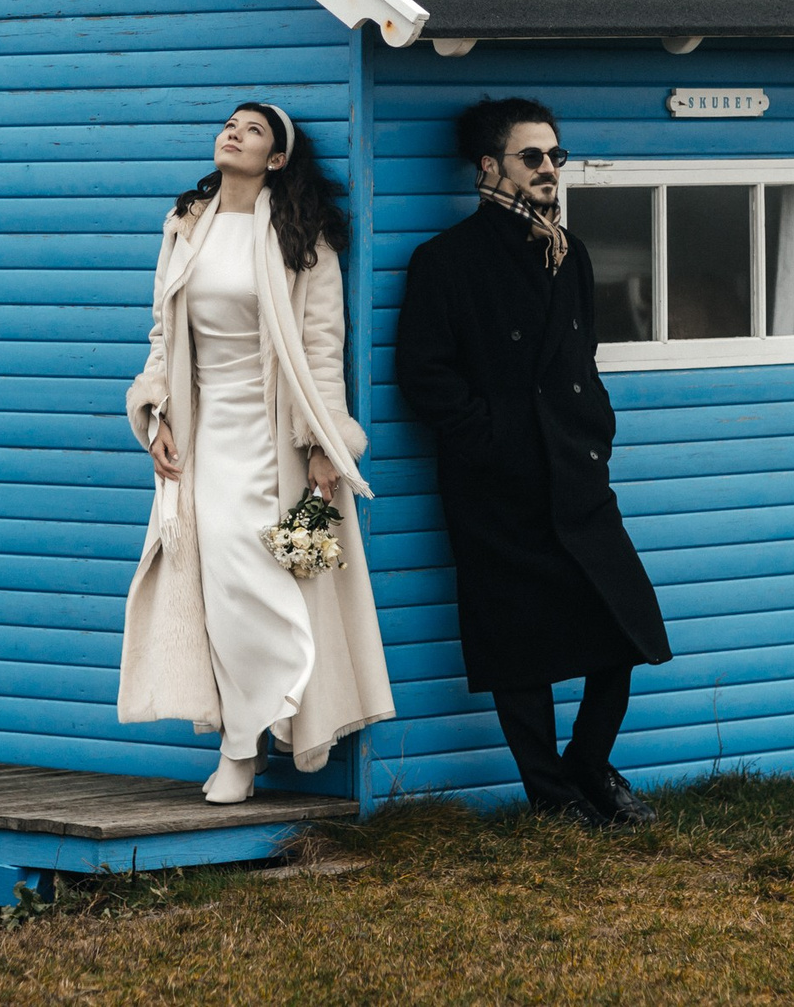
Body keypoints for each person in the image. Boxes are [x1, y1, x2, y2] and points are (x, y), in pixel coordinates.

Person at [395, 96, 672, 825]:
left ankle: (586, 761)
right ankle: (551, 799)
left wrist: (594, 428)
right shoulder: (445, 260)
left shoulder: (567, 250)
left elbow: (583, 357)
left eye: (556, 155)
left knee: (629, 624)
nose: (550, 168)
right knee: (520, 649)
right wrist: (491, 441)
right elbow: (424, 376)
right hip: (496, 482)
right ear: (490, 167)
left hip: (577, 473)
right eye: (533, 157)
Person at [120, 103, 394, 803]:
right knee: (219, 590)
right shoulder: (185, 223)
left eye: (255, 130)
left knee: (263, 582)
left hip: (272, 434)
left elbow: (322, 348)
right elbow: (162, 330)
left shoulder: (303, 238)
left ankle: (249, 742)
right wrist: (156, 414)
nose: (234, 131)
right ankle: (241, 743)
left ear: (276, 159)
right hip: (203, 431)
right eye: (231, 123)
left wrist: (325, 446)